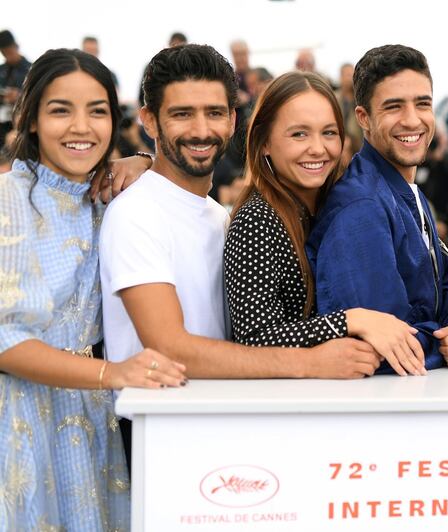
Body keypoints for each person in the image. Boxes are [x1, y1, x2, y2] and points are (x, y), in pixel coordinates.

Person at [99, 45, 381, 461]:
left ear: (233, 120)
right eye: (182, 114)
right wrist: (311, 362)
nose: (200, 129)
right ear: (149, 121)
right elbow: (170, 348)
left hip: (213, 423)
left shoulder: (216, 214)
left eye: (214, 113)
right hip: (156, 431)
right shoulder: (135, 212)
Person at [0, 48, 185, 531]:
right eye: (61, 110)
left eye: (97, 111)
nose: (81, 126)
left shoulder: (106, 198)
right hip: (19, 415)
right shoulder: (10, 199)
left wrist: (142, 160)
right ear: (32, 119)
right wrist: (113, 372)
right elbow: (5, 339)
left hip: (92, 421)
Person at [224, 71, 425, 376]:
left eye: (329, 133)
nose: (318, 148)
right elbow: (254, 340)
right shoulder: (257, 221)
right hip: (282, 412)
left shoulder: (339, 202)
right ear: (264, 142)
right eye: (299, 134)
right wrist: (351, 320)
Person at [306, 44, 448, 372]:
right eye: (394, 107)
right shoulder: (361, 207)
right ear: (364, 118)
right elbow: (386, 348)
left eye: (423, 104)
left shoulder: (405, 188)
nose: (412, 120)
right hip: (381, 411)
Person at [0, 30, 31, 142]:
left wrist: (19, 96)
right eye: (4, 53)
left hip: (22, 121)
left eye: (9, 52)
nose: (8, 56)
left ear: (16, 46)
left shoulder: (31, 70)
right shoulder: (1, 70)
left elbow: (37, 95)